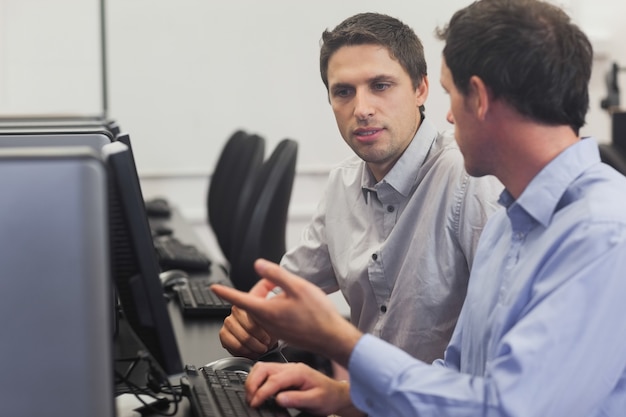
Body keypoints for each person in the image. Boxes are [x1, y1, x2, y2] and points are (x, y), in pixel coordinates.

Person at [211, 0, 626, 416]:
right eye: (343, 91)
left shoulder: (605, 232)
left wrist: (343, 343)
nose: (446, 115)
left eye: (450, 93)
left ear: (477, 97)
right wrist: (344, 397)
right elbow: (458, 379)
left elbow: (507, 409)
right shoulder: (511, 221)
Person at [219, 12, 502, 364]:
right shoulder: (344, 183)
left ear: (420, 89)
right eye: (343, 92)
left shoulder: (470, 179)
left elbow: (500, 349)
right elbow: (286, 291)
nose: (362, 109)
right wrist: (256, 323)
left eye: (380, 86)